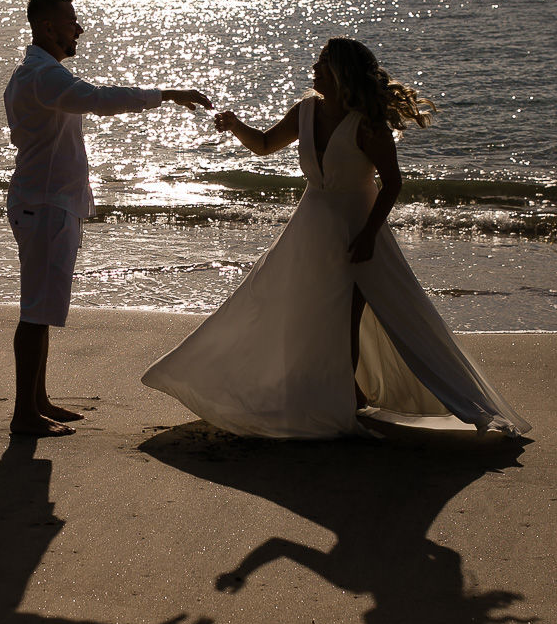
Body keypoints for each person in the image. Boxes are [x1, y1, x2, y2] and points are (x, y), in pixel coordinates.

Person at [142, 37, 529, 439]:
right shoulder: (305, 110)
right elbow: (263, 145)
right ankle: (333, 392)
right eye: (318, 63)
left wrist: (367, 236)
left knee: (347, 316)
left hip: (358, 232)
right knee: (289, 307)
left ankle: (348, 397)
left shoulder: (366, 123)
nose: (315, 70)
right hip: (309, 228)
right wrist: (235, 124)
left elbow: (393, 183)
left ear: (342, 74)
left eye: (324, 65)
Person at [5, 0, 212, 437]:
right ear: (47, 27)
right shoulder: (43, 76)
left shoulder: (41, 74)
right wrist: (166, 94)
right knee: (36, 311)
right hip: (43, 205)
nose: (78, 28)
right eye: (71, 21)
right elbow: (99, 99)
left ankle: (38, 401)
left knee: (42, 309)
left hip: (47, 202)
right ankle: (24, 414)